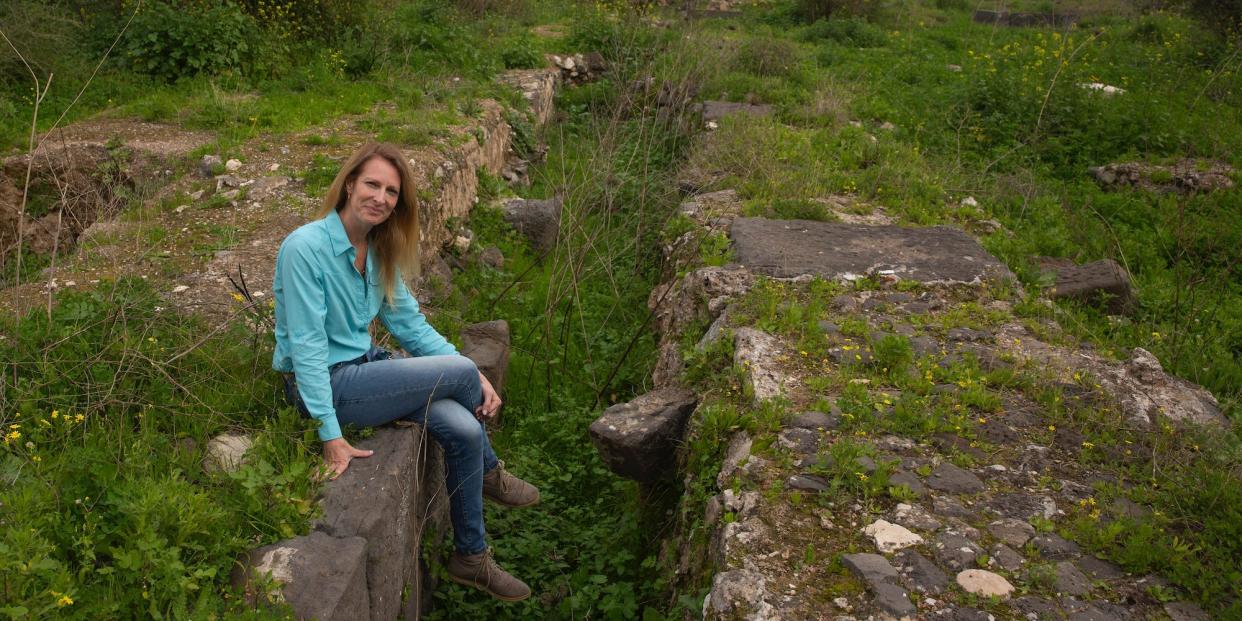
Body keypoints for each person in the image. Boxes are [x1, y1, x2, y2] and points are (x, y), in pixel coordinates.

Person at [271, 141, 538, 602]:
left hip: (365, 369)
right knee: (460, 373)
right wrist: (330, 435)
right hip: (325, 386)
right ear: (350, 183)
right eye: (372, 184)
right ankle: (490, 475)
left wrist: (466, 372)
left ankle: (470, 558)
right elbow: (308, 351)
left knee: (465, 432)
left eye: (392, 192)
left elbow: (410, 325)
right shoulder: (306, 248)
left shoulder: (378, 249)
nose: (380, 197)